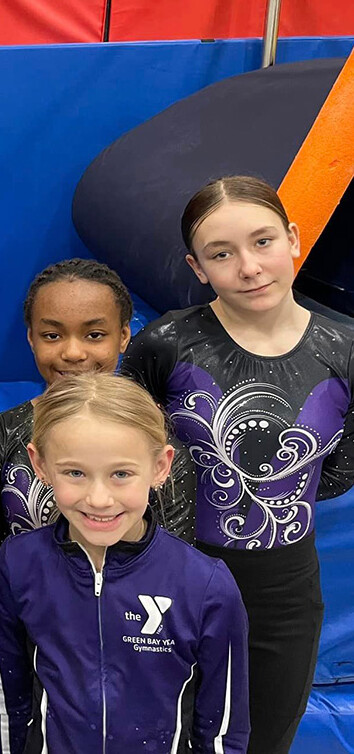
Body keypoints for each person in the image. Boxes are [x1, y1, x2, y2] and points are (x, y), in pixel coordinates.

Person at [123, 175, 354, 753]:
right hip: (171, 581)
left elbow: (339, 471)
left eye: (263, 242)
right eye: (221, 254)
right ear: (197, 268)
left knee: (262, 742)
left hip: (284, 593)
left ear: (295, 238)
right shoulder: (166, 344)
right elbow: (120, 455)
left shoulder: (344, 347)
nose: (248, 267)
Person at [0, 373, 249, 753]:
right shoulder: (18, 565)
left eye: (121, 474)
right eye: (75, 473)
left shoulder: (206, 586)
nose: (99, 499)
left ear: (160, 466)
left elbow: (222, 730)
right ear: (39, 464)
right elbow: (6, 701)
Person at [0, 259, 195, 618]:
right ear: (31, 338)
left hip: (134, 643)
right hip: (25, 648)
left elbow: (173, 578)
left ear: (124, 336)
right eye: (52, 335)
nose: (72, 352)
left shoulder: (159, 446)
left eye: (94, 335)